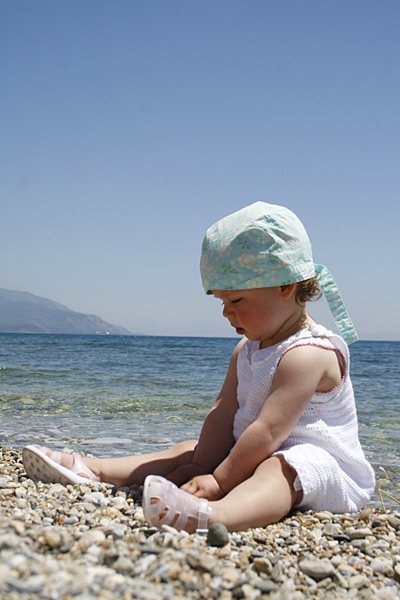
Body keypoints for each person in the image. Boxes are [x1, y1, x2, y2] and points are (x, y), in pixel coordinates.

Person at [23, 202, 375, 534]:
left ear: (286, 286)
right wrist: (203, 463)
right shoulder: (247, 349)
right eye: (221, 301)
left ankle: (214, 515)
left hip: (323, 470)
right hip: (253, 452)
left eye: (236, 300)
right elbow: (224, 414)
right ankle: (91, 469)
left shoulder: (308, 354)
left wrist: (219, 480)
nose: (226, 313)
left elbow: (269, 431)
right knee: (187, 449)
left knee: (281, 467)